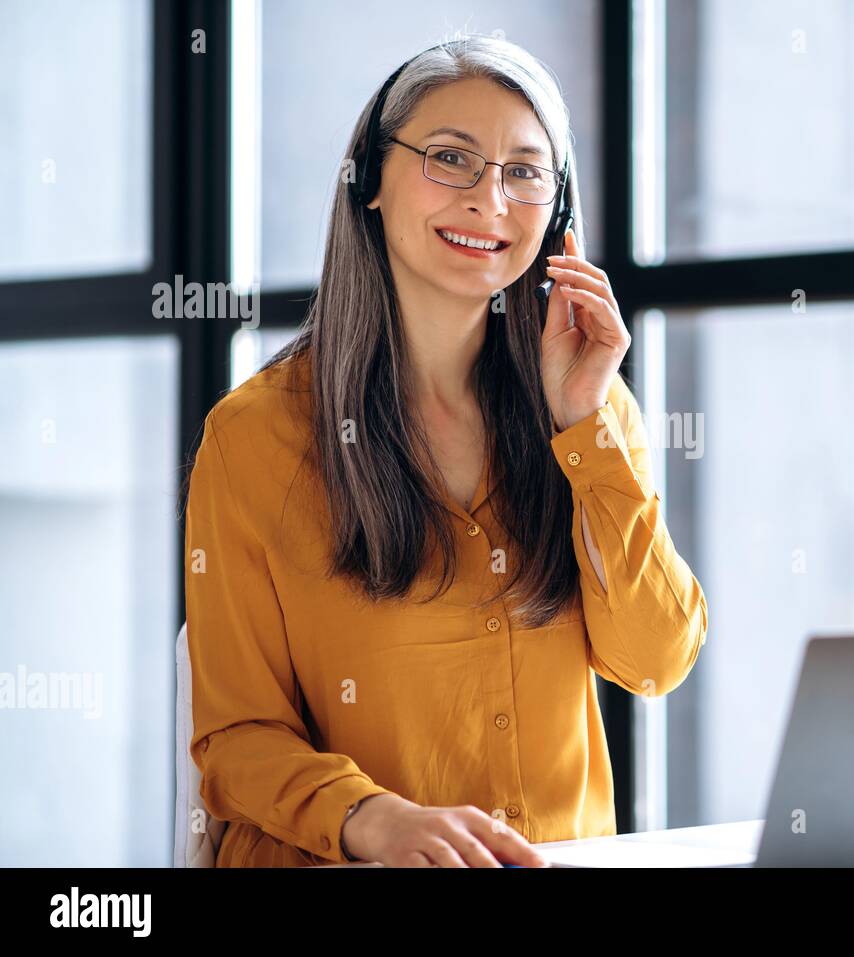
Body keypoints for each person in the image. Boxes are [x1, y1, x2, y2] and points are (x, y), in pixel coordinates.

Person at [180, 34, 708, 867]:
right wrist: (373, 818)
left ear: (558, 218)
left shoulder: (591, 407)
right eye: (451, 158)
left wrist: (586, 427)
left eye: (525, 171)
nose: (489, 200)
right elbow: (237, 736)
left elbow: (655, 659)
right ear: (371, 183)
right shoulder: (254, 437)